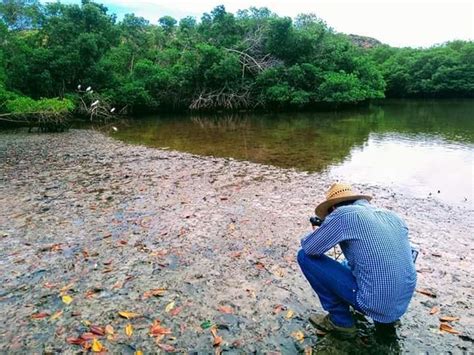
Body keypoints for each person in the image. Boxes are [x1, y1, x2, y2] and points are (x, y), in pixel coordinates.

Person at [297, 182, 417, 338]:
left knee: (304, 257)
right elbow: (412, 253)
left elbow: (309, 248)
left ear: (333, 208)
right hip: (400, 304)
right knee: (351, 264)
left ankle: (341, 322)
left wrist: (321, 230)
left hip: (375, 303)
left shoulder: (342, 214)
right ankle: (385, 319)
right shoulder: (393, 217)